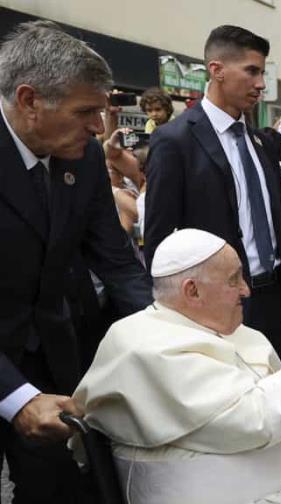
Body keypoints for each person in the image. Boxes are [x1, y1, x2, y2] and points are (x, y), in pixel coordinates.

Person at [74, 228, 281, 504]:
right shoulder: (142, 347)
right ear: (192, 291)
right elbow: (255, 418)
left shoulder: (236, 331)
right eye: (234, 279)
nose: (246, 290)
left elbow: (271, 399)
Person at [0, 20, 152, 502]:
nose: (99, 128)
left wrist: (166, 335)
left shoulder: (82, 156)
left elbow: (116, 260)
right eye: (86, 111)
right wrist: (16, 398)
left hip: (52, 355)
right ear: (29, 101)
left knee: (59, 490)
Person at [144, 25, 281, 362]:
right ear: (217, 70)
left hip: (273, 300)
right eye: (251, 71)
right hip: (212, 310)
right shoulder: (174, 141)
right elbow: (159, 241)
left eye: (262, 72)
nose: (261, 83)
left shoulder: (263, 144)